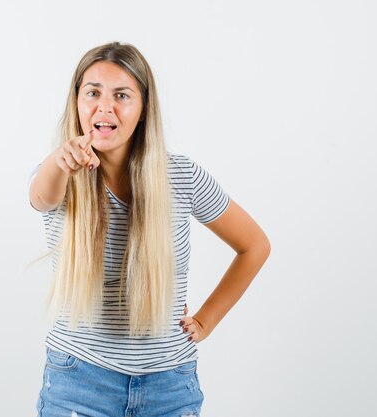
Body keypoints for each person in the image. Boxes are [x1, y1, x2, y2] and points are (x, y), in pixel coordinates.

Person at [28, 41, 270, 417]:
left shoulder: (182, 176)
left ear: (142, 110)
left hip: (170, 388)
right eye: (92, 93)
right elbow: (42, 197)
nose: (104, 107)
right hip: (79, 382)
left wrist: (205, 321)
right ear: (77, 102)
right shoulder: (58, 173)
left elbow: (254, 246)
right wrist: (60, 163)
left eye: (121, 95)